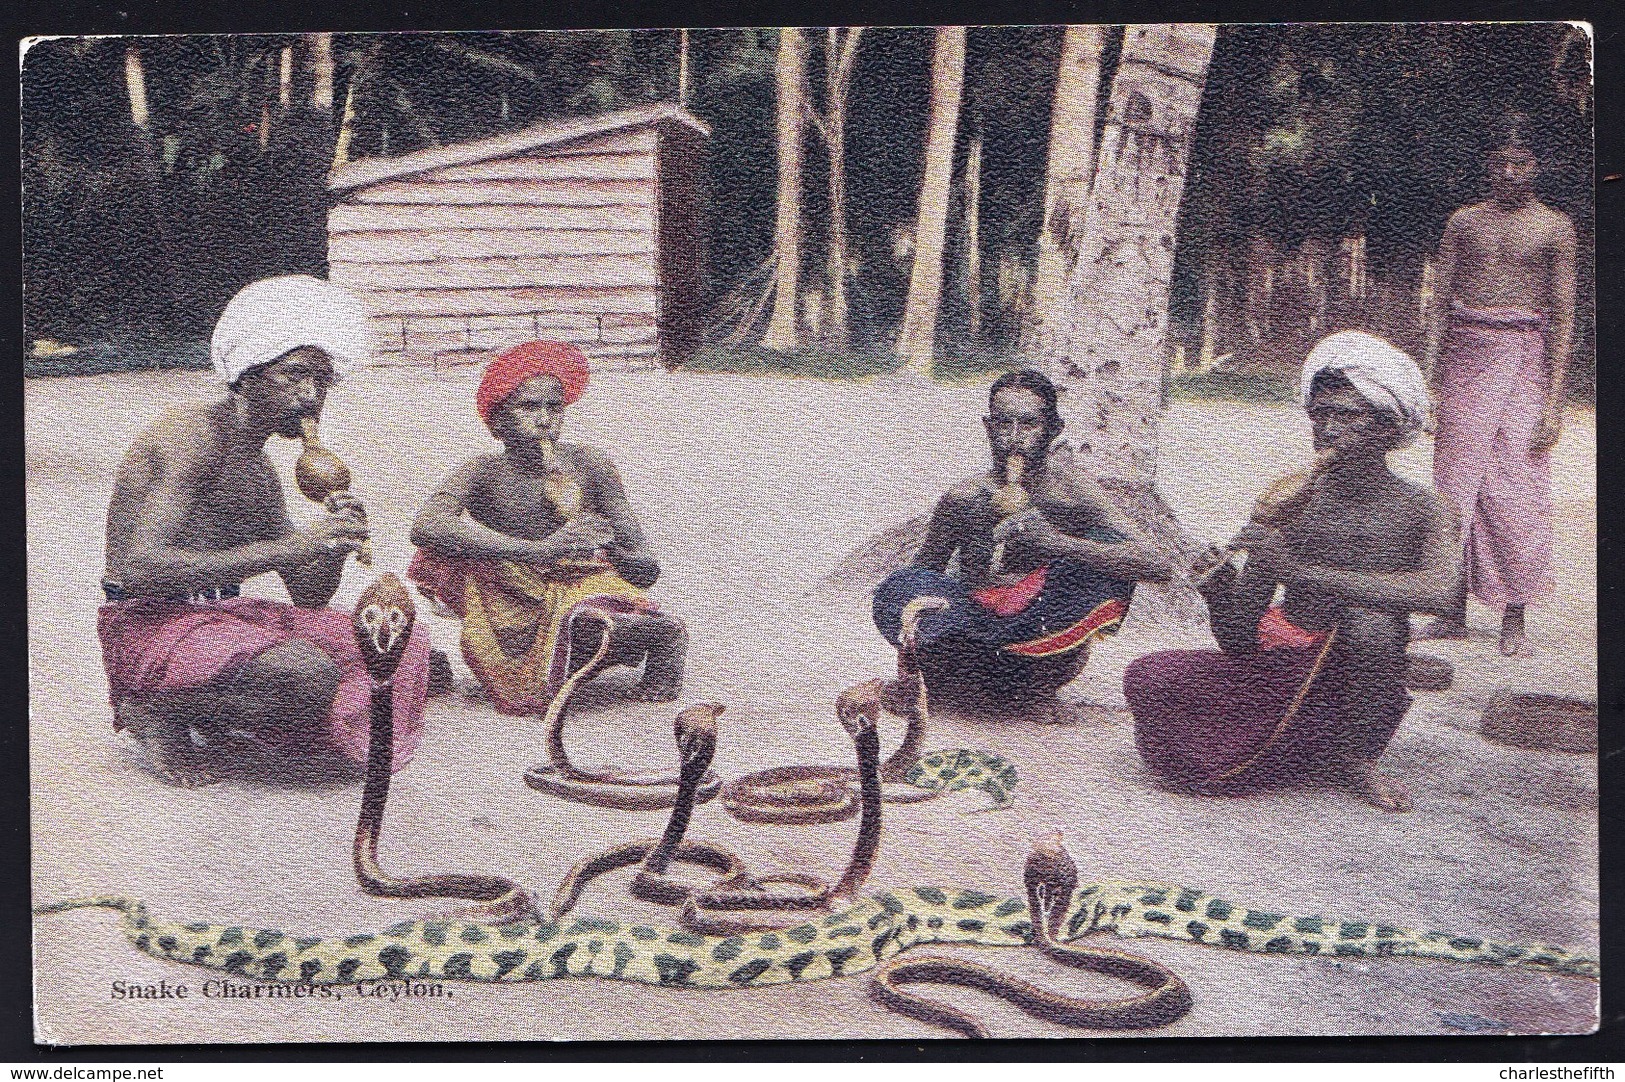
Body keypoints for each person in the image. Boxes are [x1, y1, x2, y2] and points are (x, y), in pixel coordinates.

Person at [98, 275, 433, 788]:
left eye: (321, 382)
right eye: (295, 376)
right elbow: (137, 570)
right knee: (309, 674)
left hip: (221, 618)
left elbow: (309, 593)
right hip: (151, 625)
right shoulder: (191, 439)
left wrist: (335, 543)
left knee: (399, 646)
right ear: (248, 372)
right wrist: (292, 545)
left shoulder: (258, 472)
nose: (311, 396)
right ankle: (158, 711)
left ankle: (215, 712)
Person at [1125, 332, 1462, 813]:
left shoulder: (1424, 509)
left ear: (1389, 426)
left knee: (1373, 622)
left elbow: (1438, 592)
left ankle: (1357, 756)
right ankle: (1304, 747)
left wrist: (1300, 572)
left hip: (1356, 675)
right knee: (1149, 675)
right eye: (1319, 414)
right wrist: (1220, 589)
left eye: (1347, 415)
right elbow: (1240, 640)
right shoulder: (1291, 502)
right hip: (1281, 665)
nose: (1328, 429)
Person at [872, 369, 1173, 717]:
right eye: (1003, 424)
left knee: (1105, 556)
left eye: (1028, 425)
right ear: (988, 427)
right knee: (900, 589)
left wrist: (1056, 543)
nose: (1014, 439)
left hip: (1040, 653)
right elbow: (920, 580)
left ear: (1053, 430)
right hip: (967, 645)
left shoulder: (1072, 494)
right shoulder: (965, 498)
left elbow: (1158, 564)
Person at [409, 341, 686, 713]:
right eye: (528, 406)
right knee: (447, 567)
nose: (543, 419)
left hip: (580, 579)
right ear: (498, 422)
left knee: (590, 622)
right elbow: (426, 527)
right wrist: (537, 550)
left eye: (554, 407)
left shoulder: (589, 465)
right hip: (513, 587)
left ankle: (660, 636)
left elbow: (646, 566)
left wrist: (613, 550)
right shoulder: (483, 471)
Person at [1420, 115, 1577, 657]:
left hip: (1523, 363)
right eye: (1500, 163)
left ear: (1537, 166)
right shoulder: (1464, 222)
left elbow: (1564, 315)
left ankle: (1515, 615)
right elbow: (1438, 303)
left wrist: (1553, 404)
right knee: (1455, 487)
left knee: (1517, 490)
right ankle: (1450, 609)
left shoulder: (1555, 227)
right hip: (1464, 357)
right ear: (1487, 166)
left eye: (1521, 162)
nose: (1510, 172)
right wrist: (1430, 378)